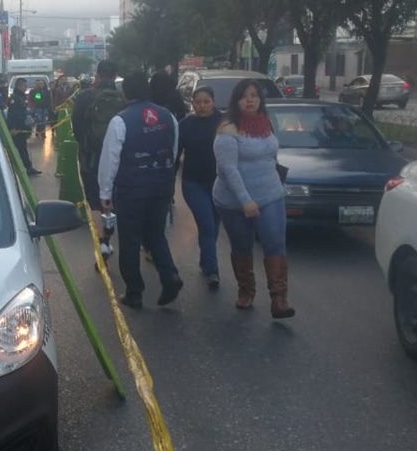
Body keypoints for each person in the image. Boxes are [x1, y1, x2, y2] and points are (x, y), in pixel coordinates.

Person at [97, 71, 184, 309]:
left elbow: (110, 159)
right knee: (156, 235)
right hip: (162, 187)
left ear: (125, 93)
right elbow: (174, 151)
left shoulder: (120, 121)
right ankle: (170, 276)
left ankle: (134, 292)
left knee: (130, 240)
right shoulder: (168, 117)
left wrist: (105, 193)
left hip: (131, 189)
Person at [212, 79, 295, 318]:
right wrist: (245, 200)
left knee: (275, 243)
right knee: (242, 246)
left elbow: (271, 155)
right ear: (236, 100)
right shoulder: (227, 129)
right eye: (245, 96)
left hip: (270, 194)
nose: (250, 100)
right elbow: (228, 170)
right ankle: (246, 291)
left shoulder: (265, 123)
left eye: (254, 95)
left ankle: (279, 300)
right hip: (234, 201)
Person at [72, 60, 126, 259]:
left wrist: (86, 144)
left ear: (98, 75)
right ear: (114, 75)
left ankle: (101, 243)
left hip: (91, 158)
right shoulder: (123, 98)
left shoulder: (85, 97)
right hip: (118, 159)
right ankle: (110, 237)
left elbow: (76, 126)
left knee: (94, 202)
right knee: (113, 200)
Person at [177, 86, 222, 289]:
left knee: (214, 224)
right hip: (193, 183)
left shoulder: (225, 122)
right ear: (192, 104)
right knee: (206, 224)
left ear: (213, 102)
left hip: (220, 184)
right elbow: (175, 155)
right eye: (198, 102)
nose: (202, 106)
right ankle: (213, 271)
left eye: (206, 102)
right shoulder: (185, 125)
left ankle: (206, 259)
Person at [6, 77, 40, 175]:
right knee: (17, 149)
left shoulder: (21, 96)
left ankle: (28, 167)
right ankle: (23, 168)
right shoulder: (14, 98)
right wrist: (13, 128)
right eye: (25, 86)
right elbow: (12, 114)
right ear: (19, 86)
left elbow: (23, 111)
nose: (26, 87)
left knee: (22, 148)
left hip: (21, 127)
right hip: (17, 128)